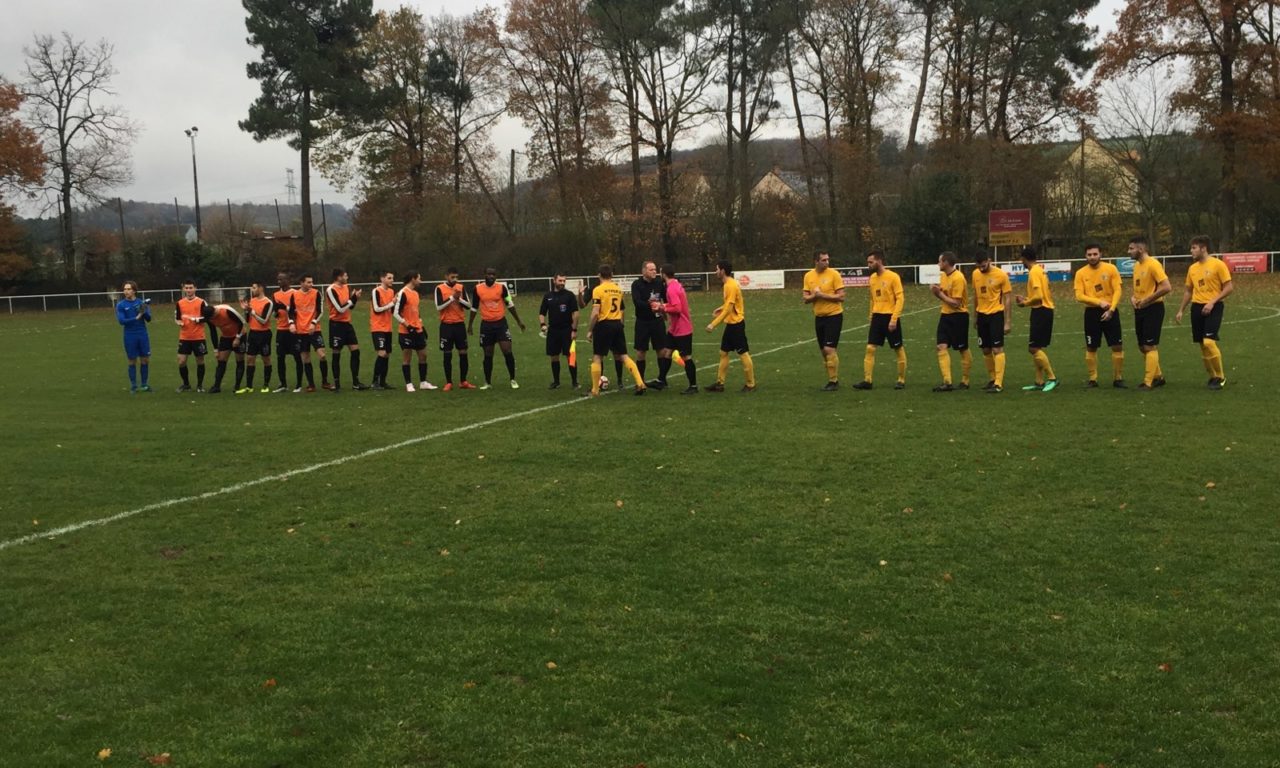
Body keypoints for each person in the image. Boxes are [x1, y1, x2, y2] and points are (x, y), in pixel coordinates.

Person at [1175, 235, 1234, 389]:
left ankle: (1220, 377)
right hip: (1197, 307)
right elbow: (1188, 291)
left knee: (1209, 341)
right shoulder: (1192, 269)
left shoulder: (1218, 265)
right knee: (1202, 344)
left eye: (1194, 248)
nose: (1191, 251)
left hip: (1214, 307)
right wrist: (1181, 309)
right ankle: (1212, 377)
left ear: (1204, 248)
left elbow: (1229, 287)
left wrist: (1212, 302)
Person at [586, 264, 646, 396]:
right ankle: (640, 383)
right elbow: (621, 309)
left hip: (604, 324)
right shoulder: (618, 290)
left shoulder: (598, 290)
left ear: (599, 275)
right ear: (612, 275)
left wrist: (590, 330)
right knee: (623, 355)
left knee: (597, 357)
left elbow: (596, 312)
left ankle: (595, 390)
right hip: (617, 324)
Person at [1074, 243, 1125, 388]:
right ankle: (1093, 379)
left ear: (1100, 254)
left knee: (1117, 346)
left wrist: (1111, 309)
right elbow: (1079, 296)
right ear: (1085, 256)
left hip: (1111, 311)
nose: (1092, 257)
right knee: (1091, 347)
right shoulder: (1080, 273)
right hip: (1091, 313)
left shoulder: (1111, 269)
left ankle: (1118, 378)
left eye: (1095, 254)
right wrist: (1098, 302)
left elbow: (1118, 290)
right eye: (1089, 255)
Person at [852, 250, 905, 390]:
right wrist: (871, 315)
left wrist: (894, 319)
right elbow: (872, 298)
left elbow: (900, 298)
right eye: (868, 262)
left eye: (871, 262)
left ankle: (901, 379)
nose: (868, 265)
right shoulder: (872, 278)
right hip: (877, 317)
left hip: (890, 316)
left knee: (898, 348)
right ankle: (867, 380)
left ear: (879, 261)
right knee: (870, 348)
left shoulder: (893, 277)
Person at [468, 267, 526, 389]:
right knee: (488, 354)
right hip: (486, 325)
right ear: (484, 275)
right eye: (489, 274)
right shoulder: (478, 289)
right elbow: (474, 307)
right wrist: (470, 325)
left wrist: (519, 321)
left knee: (507, 350)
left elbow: (509, 304)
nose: (491, 276)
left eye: (493, 274)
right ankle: (488, 382)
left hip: (500, 324)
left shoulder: (502, 288)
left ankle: (513, 379)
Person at [704, 260, 756, 392]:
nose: (715, 271)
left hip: (736, 325)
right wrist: (721, 308)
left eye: (717, 269)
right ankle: (719, 384)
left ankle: (751, 384)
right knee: (723, 352)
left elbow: (729, 309)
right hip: (731, 324)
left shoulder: (730, 286)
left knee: (743, 353)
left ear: (722, 271)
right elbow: (728, 305)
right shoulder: (728, 284)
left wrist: (713, 324)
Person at [1128, 235, 1172, 390]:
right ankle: (1159, 377)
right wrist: (1134, 298)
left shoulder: (1153, 264)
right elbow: (1138, 289)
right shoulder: (1137, 266)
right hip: (1140, 309)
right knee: (1142, 346)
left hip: (1153, 309)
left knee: (1149, 345)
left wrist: (1147, 300)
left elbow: (1166, 287)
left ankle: (1148, 382)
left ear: (1141, 249)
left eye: (1132, 248)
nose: (1129, 251)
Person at [1013, 246, 1059, 392]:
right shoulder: (1039, 270)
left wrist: (1024, 303)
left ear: (1023, 259)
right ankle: (1039, 382)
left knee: (1033, 348)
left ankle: (1052, 378)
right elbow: (1040, 295)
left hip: (1041, 311)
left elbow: (1039, 297)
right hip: (1043, 310)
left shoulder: (1033, 272)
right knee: (1037, 348)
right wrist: (1026, 298)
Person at [802, 249, 846, 391]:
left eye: (828, 259)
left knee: (829, 349)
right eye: (824, 260)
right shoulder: (808, 276)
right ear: (816, 261)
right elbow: (806, 299)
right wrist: (815, 297)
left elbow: (841, 297)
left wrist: (822, 295)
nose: (827, 262)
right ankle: (830, 379)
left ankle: (834, 381)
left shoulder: (834, 274)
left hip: (834, 315)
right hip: (819, 317)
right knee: (823, 351)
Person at [971, 251, 1012, 393]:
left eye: (983, 265)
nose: (981, 268)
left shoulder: (1001, 275)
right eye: (979, 266)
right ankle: (992, 378)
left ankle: (998, 383)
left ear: (989, 260)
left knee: (997, 349)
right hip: (982, 315)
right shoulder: (975, 274)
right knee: (985, 349)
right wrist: (975, 316)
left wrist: (1007, 321)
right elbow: (976, 295)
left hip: (996, 314)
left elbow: (1007, 298)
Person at [930, 251, 971, 391]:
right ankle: (947, 382)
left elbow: (956, 303)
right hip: (945, 316)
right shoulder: (942, 276)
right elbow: (943, 295)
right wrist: (935, 290)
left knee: (962, 348)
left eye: (939, 261)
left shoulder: (958, 278)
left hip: (959, 316)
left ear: (946, 262)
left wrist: (939, 294)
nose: (938, 264)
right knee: (941, 346)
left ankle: (965, 380)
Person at [658, 264, 698, 394]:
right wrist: (663, 305)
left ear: (663, 274)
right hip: (674, 328)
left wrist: (663, 308)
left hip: (682, 328)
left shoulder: (671, 289)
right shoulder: (675, 285)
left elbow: (677, 308)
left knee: (686, 356)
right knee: (667, 352)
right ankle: (661, 380)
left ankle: (693, 386)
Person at [631, 260, 671, 388]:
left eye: (655, 269)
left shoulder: (659, 283)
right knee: (641, 352)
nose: (654, 272)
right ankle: (640, 381)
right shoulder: (637, 284)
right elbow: (637, 302)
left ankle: (662, 379)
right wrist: (652, 305)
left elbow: (666, 299)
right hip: (642, 322)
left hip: (657, 321)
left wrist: (664, 309)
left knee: (662, 350)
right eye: (651, 270)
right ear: (644, 271)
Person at [288, 274, 331, 392]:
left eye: (312, 282)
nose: (311, 284)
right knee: (305, 358)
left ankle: (325, 381)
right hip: (301, 331)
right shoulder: (294, 295)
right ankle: (311, 384)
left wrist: (313, 322)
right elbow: (290, 312)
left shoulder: (316, 293)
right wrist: (291, 323)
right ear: (301, 283)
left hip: (314, 330)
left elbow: (320, 310)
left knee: (322, 355)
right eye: (308, 282)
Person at [326, 268, 366, 391]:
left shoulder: (346, 287)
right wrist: (352, 299)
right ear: (338, 277)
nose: (347, 278)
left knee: (355, 351)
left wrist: (355, 298)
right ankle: (336, 383)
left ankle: (355, 382)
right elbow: (340, 309)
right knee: (336, 353)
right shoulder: (331, 289)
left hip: (347, 324)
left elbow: (350, 307)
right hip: (336, 325)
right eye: (345, 275)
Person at [435, 267, 475, 391]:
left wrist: (459, 298)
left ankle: (463, 381)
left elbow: (469, 305)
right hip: (446, 325)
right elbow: (439, 306)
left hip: (459, 325)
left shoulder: (461, 287)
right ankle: (448, 382)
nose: (455, 279)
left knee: (463, 352)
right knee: (447, 354)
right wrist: (452, 298)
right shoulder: (439, 288)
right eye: (452, 277)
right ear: (446, 276)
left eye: (456, 277)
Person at [539, 272, 579, 389]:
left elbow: (576, 314)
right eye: (560, 280)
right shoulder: (548, 296)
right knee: (554, 356)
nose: (562, 283)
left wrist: (574, 329)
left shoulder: (569, 295)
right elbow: (542, 313)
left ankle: (574, 382)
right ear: (554, 280)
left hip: (567, 330)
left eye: (564, 281)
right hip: (553, 331)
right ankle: (556, 381)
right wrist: (542, 324)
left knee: (570, 356)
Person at [394, 271, 434, 391]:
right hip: (406, 331)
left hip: (418, 330)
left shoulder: (416, 294)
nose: (420, 281)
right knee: (407, 357)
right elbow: (395, 313)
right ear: (413, 279)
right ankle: (409, 384)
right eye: (419, 279)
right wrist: (408, 326)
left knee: (423, 355)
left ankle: (423, 382)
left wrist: (422, 325)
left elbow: (416, 312)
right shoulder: (402, 293)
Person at [116, 280, 152, 393]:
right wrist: (136, 318)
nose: (126, 291)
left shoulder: (141, 302)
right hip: (130, 335)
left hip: (142, 334)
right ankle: (133, 386)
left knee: (145, 360)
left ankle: (144, 384)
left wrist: (143, 311)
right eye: (125, 289)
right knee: (132, 360)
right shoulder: (121, 305)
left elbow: (148, 319)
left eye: (128, 289)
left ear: (134, 290)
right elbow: (121, 321)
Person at [174, 279, 209, 393]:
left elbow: (207, 317)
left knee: (200, 360)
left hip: (198, 337)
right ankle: (186, 384)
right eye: (186, 288)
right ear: (183, 289)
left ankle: (199, 385)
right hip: (184, 337)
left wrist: (197, 320)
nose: (188, 290)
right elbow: (178, 317)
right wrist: (178, 322)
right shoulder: (179, 303)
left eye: (190, 288)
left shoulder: (202, 302)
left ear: (195, 288)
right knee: (181, 361)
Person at [205, 302, 247, 394]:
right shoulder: (209, 318)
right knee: (221, 361)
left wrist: (237, 338)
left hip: (239, 335)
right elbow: (213, 332)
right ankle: (216, 386)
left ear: (215, 312)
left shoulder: (227, 311)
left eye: (213, 317)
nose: (213, 319)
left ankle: (237, 386)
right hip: (225, 337)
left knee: (239, 360)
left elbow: (241, 322)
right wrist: (216, 349)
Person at [240, 282, 274, 393]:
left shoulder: (268, 303)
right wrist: (246, 310)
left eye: (254, 288)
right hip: (253, 334)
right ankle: (249, 386)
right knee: (250, 359)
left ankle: (266, 385)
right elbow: (248, 320)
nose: (252, 290)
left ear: (261, 288)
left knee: (266, 359)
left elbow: (264, 321)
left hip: (264, 335)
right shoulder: (252, 301)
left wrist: (253, 313)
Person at [272, 273, 302, 393]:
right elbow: (275, 312)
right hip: (280, 330)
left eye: (281, 279)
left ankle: (299, 384)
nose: (279, 281)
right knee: (280, 357)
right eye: (278, 279)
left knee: (297, 356)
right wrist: (276, 312)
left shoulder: (295, 293)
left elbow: (297, 311)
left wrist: (285, 307)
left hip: (293, 330)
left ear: (288, 280)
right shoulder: (275, 294)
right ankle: (283, 384)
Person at [368, 270, 396, 390]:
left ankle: (383, 381)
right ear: (382, 279)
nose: (392, 280)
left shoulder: (391, 292)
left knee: (387, 355)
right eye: (389, 278)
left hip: (388, 327)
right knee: (382, 353)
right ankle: (374, 381)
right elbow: (376, 309)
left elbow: (393, 309)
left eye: (392, 278)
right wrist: (392, 303)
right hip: (378, 327)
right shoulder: (376, 291)